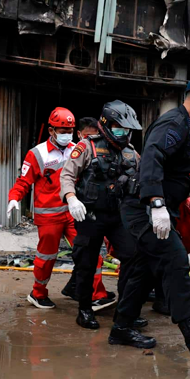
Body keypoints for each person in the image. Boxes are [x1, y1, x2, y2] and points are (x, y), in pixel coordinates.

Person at [109, 76, 190, 367]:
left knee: (144, 269)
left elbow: (176, 169)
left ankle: (122, 328)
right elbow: (152, 155)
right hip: (145, 207)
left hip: (161, 207)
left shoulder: (189, 126)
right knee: (175, 261)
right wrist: (156, 203)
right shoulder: (173, 123)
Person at [7, 107, 112, 310]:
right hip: (48, 216)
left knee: (89, 251)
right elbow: (23, 182)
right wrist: (14, 198)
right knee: (47, 257)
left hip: (73, 212)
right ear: (51, 131)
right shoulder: (37, 154)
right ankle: (38, 294)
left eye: (69, 131)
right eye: (62, 131)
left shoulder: (77, 150)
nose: (66, 135)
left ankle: (98, 295)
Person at [60, 101, 143, 330]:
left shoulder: (131, 152)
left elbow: (144, 176)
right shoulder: (87, 147)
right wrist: (71, 198)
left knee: (134, 256)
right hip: (91, 216)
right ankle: (84, 310)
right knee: (87, 263)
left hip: (119, 217)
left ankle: (126, 312)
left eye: (127, 130)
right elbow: (67, 175)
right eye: (119, 128)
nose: (123, 133)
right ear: (106, 125)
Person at [61, 117, 113, 306]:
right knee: (84, 256)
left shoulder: (100, 149)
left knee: (87, 256)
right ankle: (89, 297)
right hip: (65, 208)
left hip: (86, 210)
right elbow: (66, 176)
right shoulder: (81, 149)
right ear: (80, 134)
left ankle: (92, 293)